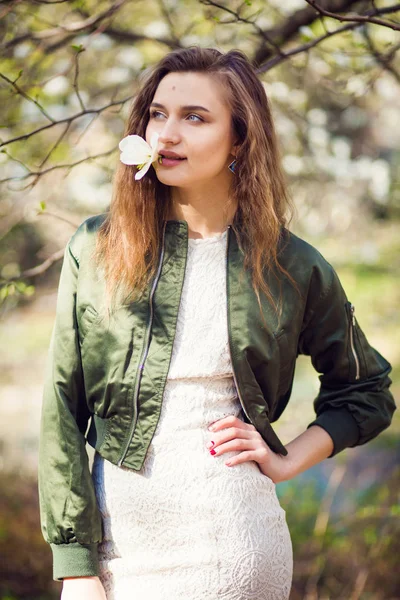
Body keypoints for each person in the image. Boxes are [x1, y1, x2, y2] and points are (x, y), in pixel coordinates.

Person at [38, 46, 396, 600]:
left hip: (232, 542)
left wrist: (287, 459)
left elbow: (367, 391)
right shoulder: (97, 247)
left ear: (241, 138)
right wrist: (74, 564)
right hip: (115, 549)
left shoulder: (291, 265)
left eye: (195, 118)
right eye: (158, 114)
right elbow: (62, 405)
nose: (167, 134)